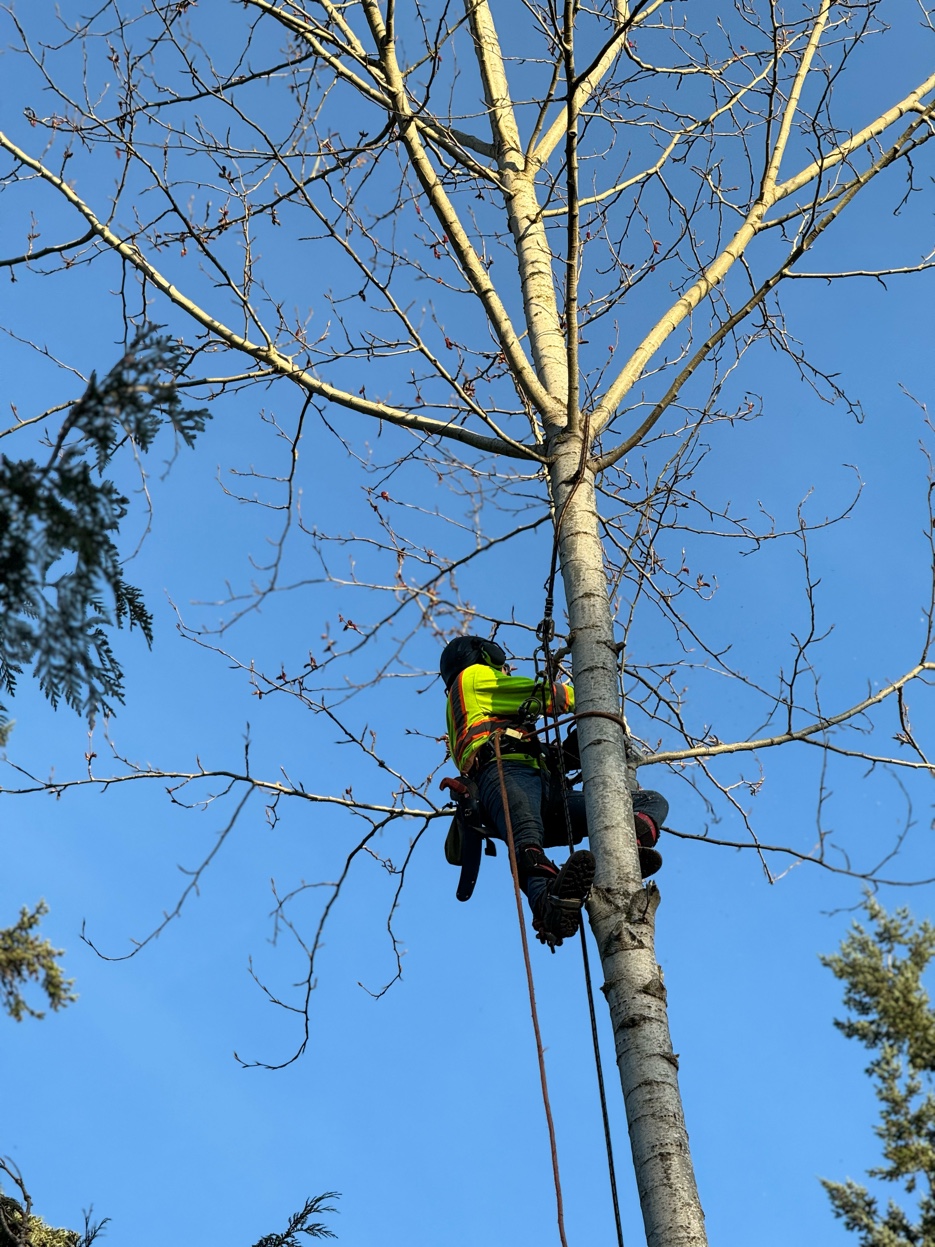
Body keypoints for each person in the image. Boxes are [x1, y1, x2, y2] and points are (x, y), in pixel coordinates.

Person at [440, 635, 667, 948]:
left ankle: (625, 850)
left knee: (646, 803)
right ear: (482, 655)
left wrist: (568, 753)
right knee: (527, 844)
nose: (505, 667)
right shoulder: (473, 677)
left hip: (538, 782)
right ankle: (549, 905)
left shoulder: (484, 710)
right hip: (503, 774)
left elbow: (524, 740)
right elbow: (541, 695)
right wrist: (591, 698)